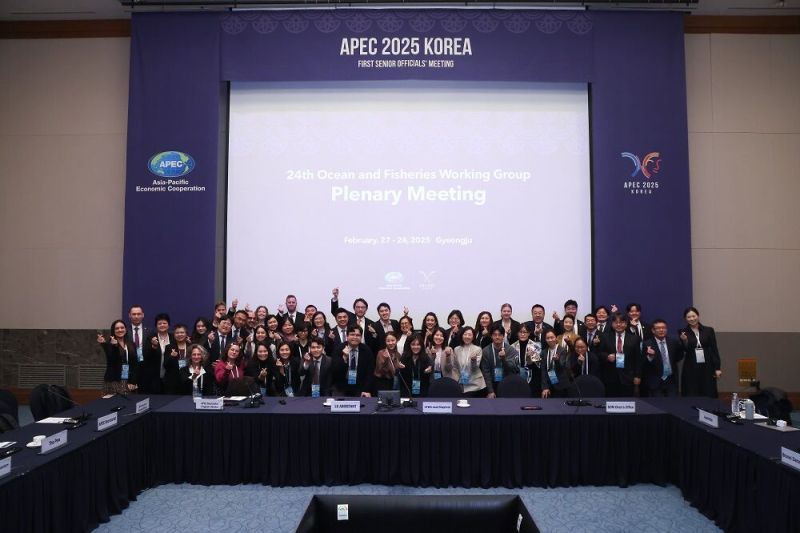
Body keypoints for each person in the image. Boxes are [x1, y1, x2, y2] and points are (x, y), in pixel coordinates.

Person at [679, 307, 721, 398]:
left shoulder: (709, 330)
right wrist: (685, 341)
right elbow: (684, 350)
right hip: (691, 365)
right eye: (689, 317)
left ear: (698, 316)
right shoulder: (683, 332)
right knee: (692, 390)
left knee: (708, 389)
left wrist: (717, 367)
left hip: (707, 365)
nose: (692, 319)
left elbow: (714, 349)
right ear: (685, 319)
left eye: (693, 316)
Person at [599, 313, 642, 397]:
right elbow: (599, 353)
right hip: (610, 377)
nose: (618, 324)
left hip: (628, 377)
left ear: (626, 324)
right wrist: (607, 357)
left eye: (621, 322)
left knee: (627, 403)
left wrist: (637, 376)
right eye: (616, 322)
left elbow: (638, 359)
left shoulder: (634, 338)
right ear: (612, 324)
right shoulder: (605, 337)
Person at [641, 319, 684, 397]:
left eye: (663, 328)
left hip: (671, 381)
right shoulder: (646, 344)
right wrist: (650, 357)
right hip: (655, 382)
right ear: (653, 330)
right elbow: (642, 364)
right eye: (658, 328)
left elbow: (679, 357)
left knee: (673, 405)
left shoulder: (673, 342)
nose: (661, 330)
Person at [331, 325, 376, 397]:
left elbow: (370, 373)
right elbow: (335, 371)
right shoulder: (339, 349)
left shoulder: (366, 350)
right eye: (352, 334)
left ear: (361, 337)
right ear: (347, 336)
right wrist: (344, 358)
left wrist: (366, 390)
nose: (355, 337)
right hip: (341, 387)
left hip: (360, 387)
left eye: (358, 335)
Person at [97, 320, 138, 395]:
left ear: (125, 329)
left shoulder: (132, 344)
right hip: (114, 381)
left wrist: (133, 381)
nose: (120, 330)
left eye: (122, 328)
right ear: (113, 331)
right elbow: (113, 361)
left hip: (129, 379)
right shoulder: (109, 345)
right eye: (117, 328)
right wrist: (114, 346)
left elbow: (134, 364)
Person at [480, 325, 520, 398]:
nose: (497, 337)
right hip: (492, 383)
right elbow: (486, 372)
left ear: (503, 336)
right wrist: (490, 391)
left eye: (500, 335)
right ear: (491, 336)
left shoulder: (511, 349)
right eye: (495, 335)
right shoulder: (486, 351)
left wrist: (504, 359)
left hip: (507, 383)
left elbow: (513, 369)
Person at [450, 327, 485, 397]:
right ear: (462, 336)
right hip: (461, 384)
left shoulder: (477, 349)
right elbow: (455, 367)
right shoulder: (456, 349)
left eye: (469, 335)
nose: (467, 336)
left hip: (475, 385)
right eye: (465, 334)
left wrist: (473, 361)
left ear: (473, 337)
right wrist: (455, 381)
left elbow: (475, 368)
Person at [143, 313, 173, 394]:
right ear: (156, 325)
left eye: (164, 323)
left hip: (169, 376)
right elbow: (146, 356)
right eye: (159, 323)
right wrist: (153, 346)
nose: (162, 325)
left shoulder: (173, 337)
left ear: (169, 325)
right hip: (154, 376)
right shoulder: (151, 337)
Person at [512, 323, 542, 397]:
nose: (522, 334)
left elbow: (538, 367)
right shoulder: (512, 347)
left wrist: (530, 361)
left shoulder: (536, 346)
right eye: (520, 332)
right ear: (517, 333)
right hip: (517, 377)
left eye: (524, 332)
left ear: (529, 333)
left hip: (533, 378)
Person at [399, 334, 433, 398]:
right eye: (413, 344)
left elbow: (429, 375)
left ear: (421, 346)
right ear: (409, 345)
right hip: (406, 391)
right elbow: (400, 377)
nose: (415, 347)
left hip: (422, 391)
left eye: (418, 345)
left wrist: (428, 371)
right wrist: (400, 368)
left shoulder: (425, 357)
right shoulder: (404, 357)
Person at [541, 330, 571, 398]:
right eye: (548, 338)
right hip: (549, 383)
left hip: (561, 384)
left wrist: (557, 361)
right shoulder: (544, 352)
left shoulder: (562, 350)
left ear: (556, 338)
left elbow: (562, 368)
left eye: (552, 337)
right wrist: (545, 387)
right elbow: (543, 370)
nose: (550, 340)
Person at [162, 324, 191, 394]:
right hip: (172, 381)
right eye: (177, 333)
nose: (179, 334)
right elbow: (165, 365)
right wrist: (171, 356)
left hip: (188, 380)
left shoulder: (191, 346)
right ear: (174, 335)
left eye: (182, 332)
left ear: (186, 334)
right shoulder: (169, 347)